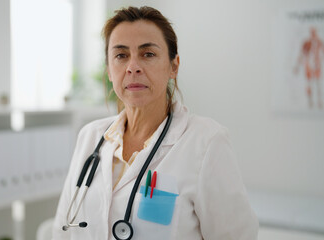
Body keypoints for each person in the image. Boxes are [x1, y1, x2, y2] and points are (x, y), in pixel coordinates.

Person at [53, 6, 258, 240]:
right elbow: (62, 231)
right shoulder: (90, 136)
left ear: (174, 66)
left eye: (148, 54)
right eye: (121, 55)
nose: (133, 67)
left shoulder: (207, 142)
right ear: (109, 70)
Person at [294, 27, 324, 109]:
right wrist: (297, 66)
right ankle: (310, 102)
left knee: (318, 84)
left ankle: (319, 102)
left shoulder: (319, 42)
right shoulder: (306, 43)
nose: (313, 34)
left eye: (314, 32)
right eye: (312, 32)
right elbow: (301, 54)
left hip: (317, 65)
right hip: (309, 65)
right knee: (309, 83)